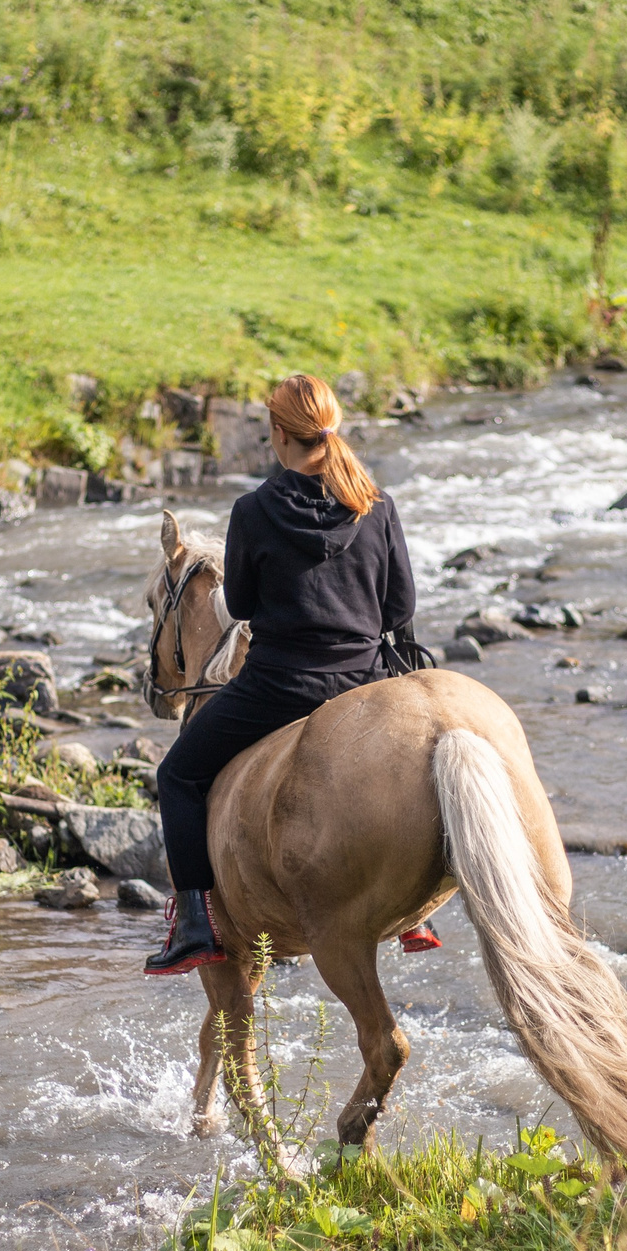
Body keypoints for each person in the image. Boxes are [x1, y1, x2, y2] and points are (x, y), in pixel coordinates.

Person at [146, 374, 430, 976]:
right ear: (332, 429)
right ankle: (417, 910)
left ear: (278, 433)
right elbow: (400, 610)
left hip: (278, 686)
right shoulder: (378, 506)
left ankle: (196, 920)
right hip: (364, 683)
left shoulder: (253, 509)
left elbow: (242, 606)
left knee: (177, 775)